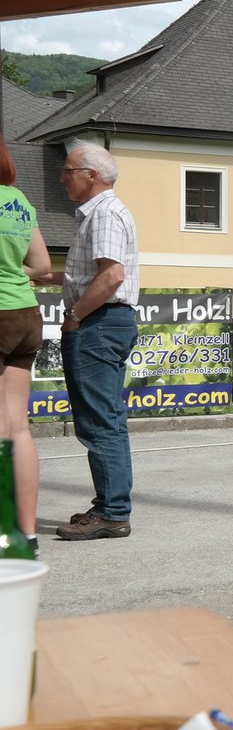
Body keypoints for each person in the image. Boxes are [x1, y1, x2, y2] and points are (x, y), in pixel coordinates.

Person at [34, 141, 143, 541]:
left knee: (99, 421)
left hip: (98, 323)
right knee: (106, 418)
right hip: (107, 322)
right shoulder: (103, 213)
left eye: (68, 171)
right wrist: (41, 276)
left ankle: (112, 511)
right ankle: (111, 507)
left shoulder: (104, 214)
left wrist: (75, 316)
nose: (62, 178)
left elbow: (111, 276)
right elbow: (87, 275)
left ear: (91, 175)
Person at [0, 135, 50, 549]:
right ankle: (26, 534)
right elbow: (42, 264)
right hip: (24, 313)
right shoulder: (18, 200)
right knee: (17, 426)